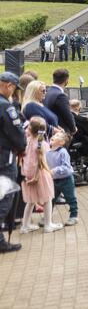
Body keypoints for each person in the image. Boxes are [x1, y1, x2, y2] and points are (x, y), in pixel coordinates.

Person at [20, 117, 62, 234]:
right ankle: (48, 225)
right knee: (47, 199)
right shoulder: (43, 145)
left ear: (30, 129)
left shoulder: (26, 141)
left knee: (31, 201)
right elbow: (43, 163)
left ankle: (25, 225)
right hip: (41, 174)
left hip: (28, 174)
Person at [0, 72, 26, 253]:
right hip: (4, 160)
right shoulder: (5, 107)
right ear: (8, 86)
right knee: (5, 198)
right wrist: (22, 147)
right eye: (14, 89)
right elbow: (17, 135)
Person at [47, 131, 78, 226]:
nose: (54, 136)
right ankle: (47, 217)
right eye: (55, 135)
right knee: (50, 199)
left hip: (66, 179)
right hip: (54, 180)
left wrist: (55, 170)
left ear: (62, 142)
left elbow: (66, 166)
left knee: (70, 198)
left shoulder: (63, 152)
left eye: (57, 136)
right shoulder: (47, 152)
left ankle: (74, 216)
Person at [44, 69, 76, 135]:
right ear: (66, 80)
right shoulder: (60, 95)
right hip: (60, 132)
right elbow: (67, 114)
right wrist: (73, 129)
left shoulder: (48, 92)